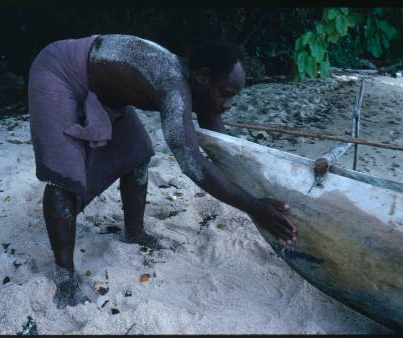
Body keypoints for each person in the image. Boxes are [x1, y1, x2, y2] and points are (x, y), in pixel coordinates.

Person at [28, 34, 297, 309]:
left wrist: (261, 187)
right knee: (64, 178)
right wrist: (253, 206)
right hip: (59, 71)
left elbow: (220, 140)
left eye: (233, 97)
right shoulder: (174, 87)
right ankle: (65, 277)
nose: (227, 105)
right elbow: (192, 164)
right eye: (225, 94)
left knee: (137, 151)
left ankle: (134, 233)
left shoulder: (197, 85)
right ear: (203, 77)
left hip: (103, 89)